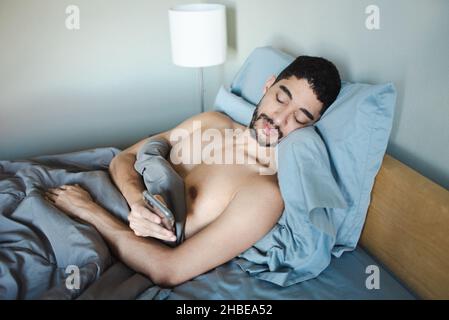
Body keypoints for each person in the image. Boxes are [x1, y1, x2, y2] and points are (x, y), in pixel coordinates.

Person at [44, 56, 341, 287]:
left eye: (300, 118)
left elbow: (168, 270)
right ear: (268, 86)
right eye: (281, 98)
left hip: (92, 218)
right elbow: (125, 157)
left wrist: (89, 211)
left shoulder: (264, 192)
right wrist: (136, 201)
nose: (278, 119)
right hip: (95, 190)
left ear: (309, 128)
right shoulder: (215, 122)